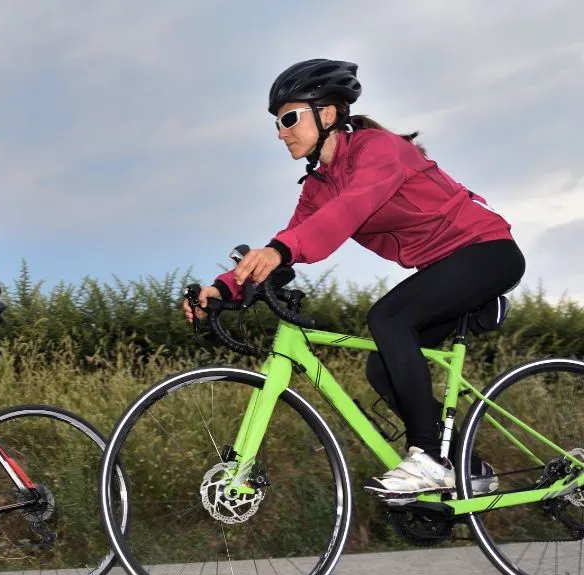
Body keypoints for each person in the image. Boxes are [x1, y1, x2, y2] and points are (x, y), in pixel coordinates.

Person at [182, 59, 526, 497]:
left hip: (486, 251)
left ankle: (428, 458)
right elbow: (289, 244)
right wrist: (224, 289)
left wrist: (283, 249)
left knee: (388, 319)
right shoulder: (318, 186)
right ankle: (466, 466)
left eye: (289, 118)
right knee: (382, 368)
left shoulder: (377, 150)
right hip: (443, 269)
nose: (281, 132)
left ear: (327, 114)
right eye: (276, 124)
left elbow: (346, 213)